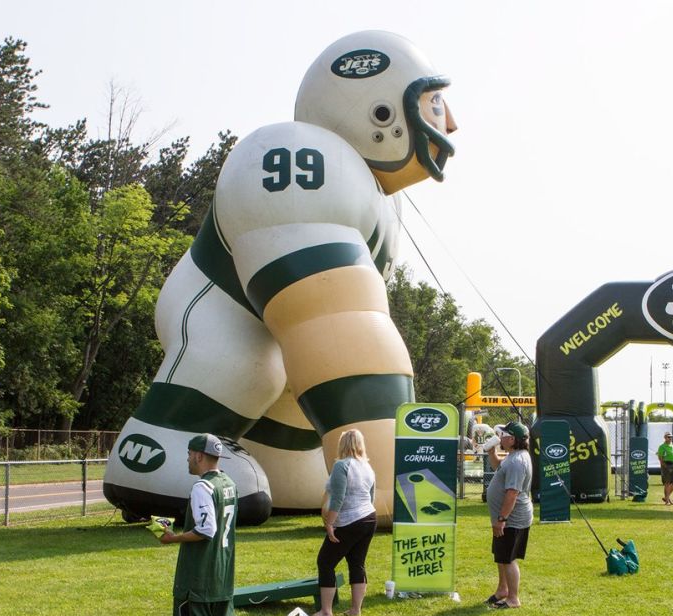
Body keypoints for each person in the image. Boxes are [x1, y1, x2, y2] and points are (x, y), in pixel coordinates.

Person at [102, 31, 459, 528]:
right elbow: (340, 322)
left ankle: (279, 462)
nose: (450, 121)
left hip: (280, 330)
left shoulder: (373, 194)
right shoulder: (301, 158)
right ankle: (160, 439)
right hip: (224, 312)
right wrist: (394, 474)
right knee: (253, 361)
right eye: (434, 102)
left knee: (294, 384)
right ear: (382, 113)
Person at [158, 434, 251, 616]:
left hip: (202, 567)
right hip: (224, 565)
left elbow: (206, 529)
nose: (187, 459)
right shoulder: (229, 482)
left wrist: (172, 537)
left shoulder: (202, 487)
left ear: (199, 455)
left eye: (189, 454)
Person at [312, 429, 377, 616]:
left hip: (350, 520)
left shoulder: (342, 465)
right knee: (357, 563)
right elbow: (372, 496)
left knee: (325, 562)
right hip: (369, 517)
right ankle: (356, 609)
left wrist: (330, 523)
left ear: (342, 444)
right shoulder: (367, 466)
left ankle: (326, 611)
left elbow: (338, 498)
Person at [485, 421, 533, 609]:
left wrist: (502, 519)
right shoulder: (513, 456)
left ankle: (513, 598)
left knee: (508, 558)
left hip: (511, 519)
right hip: (505, 518)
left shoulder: (517, 461)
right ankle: (502, 591)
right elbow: (498, 466)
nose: (500, 436)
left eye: (504, 434)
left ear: (512, 439)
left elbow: (512, 493)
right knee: (501, 555)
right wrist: (491, 452)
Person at [658, 432, 673, 505]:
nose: (670, 438)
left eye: (671, 437)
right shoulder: (662, 446)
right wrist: (664, 466)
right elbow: (660, 458)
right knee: (667, 482)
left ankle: (666, 497)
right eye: (668, 437)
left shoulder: (672, 445)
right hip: (667, 464)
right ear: (665, 438)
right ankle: (667, 500)